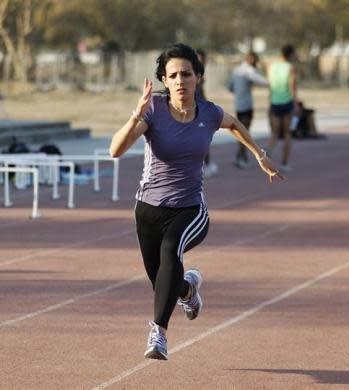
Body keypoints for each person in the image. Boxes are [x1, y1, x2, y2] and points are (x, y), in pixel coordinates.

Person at [109, 43, 284, 360]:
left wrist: (260, 154)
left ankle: (158, 334)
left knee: (169, 251)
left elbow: (233, 123)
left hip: (190, 210)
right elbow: (115, 151)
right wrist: (136, 112)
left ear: (198, 77)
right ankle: (188, 291)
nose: (180, 81)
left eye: (186, 74)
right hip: (147, 210)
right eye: (172, 75)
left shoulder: (209, 113)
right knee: (163, 279)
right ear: (164, 79)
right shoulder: (153, 111)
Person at [227, 52, 269, 168]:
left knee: (241, 132)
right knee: (245, 134)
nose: (256, 64)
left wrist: (240, 90)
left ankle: (243, 156)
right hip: (247, 106)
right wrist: (272, 83)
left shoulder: (236, 70)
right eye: (256, 61)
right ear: (251, 59)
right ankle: (239, 157)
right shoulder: (249, 70)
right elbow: (261, 80)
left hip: (238, 105)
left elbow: (230, 87)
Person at [267, 44, 299, 171]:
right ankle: (284, 163)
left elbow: (270, 86)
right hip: (287, 103)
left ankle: (266, 155)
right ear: (290, 54)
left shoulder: (271, 67)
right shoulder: (291, 68)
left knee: (274, 133)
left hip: (274, 103)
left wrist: (269, 103)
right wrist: (296, 104)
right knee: (287, 133)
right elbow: (293, 87)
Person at [195, 49, 218, 178]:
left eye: (203, 59)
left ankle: (206, 165)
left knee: (204, 136)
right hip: (192, 108)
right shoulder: (193, 73)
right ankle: (205, 165)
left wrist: (206, 104)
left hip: (200, 107)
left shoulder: (199, 73)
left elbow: (201, 92)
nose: (201, 62)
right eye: (199, 59)